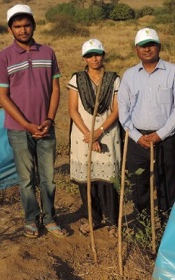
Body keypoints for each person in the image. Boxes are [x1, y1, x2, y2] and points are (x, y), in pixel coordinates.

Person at [0, 4, 67, 238]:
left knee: (49, 178)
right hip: (18, 129)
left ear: (34, 25)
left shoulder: (48, 52)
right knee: (26, 179)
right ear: (10, 29)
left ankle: (50, 218)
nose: (23, 30)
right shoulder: (3, 57)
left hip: (46, 126)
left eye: (27, 25)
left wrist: (49, 119)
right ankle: (31, 219)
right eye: (17, 26)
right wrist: (26, 125)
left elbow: (55, 89)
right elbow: (2, 97)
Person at [118, 28, 175, 225]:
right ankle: (143, 228)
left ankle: (167, 228)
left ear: (159, 47)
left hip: (165, 139)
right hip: (137, 140)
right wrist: (136, 136)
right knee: (139, 185)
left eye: (151, 45)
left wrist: (160, 134)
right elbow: (123, 110)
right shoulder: (130, 75)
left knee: (167, 185)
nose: (147, 49)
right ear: (136, 49)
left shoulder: (174, 72)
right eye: (143, 46)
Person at [67, 39, 121, 238]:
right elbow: (73, 111)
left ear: (103, 54)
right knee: (87, 181)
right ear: (84, 58)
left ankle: (114, 221)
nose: (94, 58)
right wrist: (89, 136)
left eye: (97, 54)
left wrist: (99, 131)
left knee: (109, 180)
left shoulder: (114, 79)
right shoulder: (77, 79)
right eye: (89, 55)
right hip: (82, 135)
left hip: (108, 132)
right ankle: (94, 219)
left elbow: (117, 111)